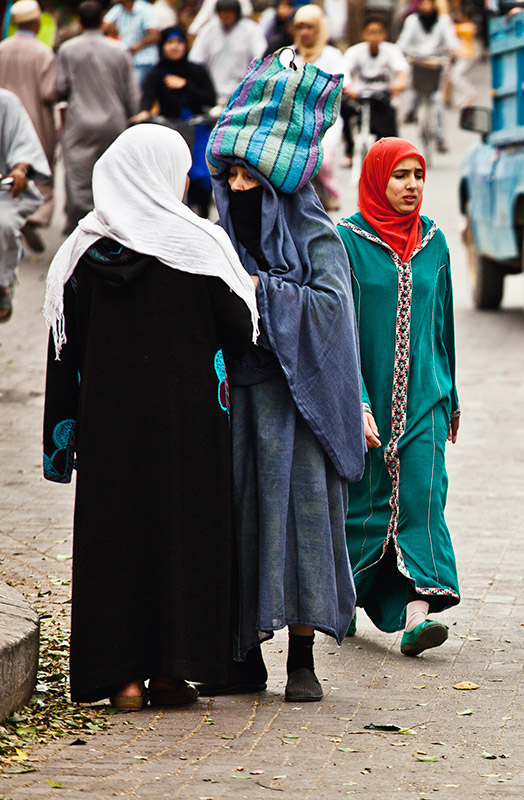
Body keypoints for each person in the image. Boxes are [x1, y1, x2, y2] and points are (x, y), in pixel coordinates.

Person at [41, 124, 257, 710]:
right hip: (190, 432)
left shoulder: (79, 254)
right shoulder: (198, 246)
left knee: (117, 542)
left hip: (110, 434)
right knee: (184, 539)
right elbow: (241, 334)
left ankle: (123, 680)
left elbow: (63, 356)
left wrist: (60, 450)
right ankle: (171, 673)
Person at [202, 57, 364, 703]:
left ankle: (303, 661)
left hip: (303, 408)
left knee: (301, 530)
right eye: (230, 175)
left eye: (250, 176)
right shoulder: (215, 235)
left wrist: (259, 291)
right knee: (242, 531)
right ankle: (245, 659)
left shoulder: (313, 229)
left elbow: (331, 308)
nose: (238, 187)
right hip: (236, 405)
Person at [336, 138, 461, 654]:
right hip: (364, 402)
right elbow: (337, 332)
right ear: (376, 179)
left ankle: (416, 617)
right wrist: (355, 400)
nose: (411, 186)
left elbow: (443, 324)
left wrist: (451, 394)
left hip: (425, 400)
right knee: (362, 509)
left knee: (422, 500)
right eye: (400, 176)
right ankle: (340, 599)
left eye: (418, 175)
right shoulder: (345, 241)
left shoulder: (434, 241)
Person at [56, 0, 140, 233]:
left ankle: (83, 228)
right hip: (114, 121)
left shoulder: (68, 49)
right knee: (114, 174)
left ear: (79, 21)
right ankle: (111, 226)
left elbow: (60, 88)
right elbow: (132, 92)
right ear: (103, 20)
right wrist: (132, 117)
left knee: (80, 176)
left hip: (80, 121)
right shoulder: (119, 49)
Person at [132, 27, 218, 217]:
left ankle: (203, 216)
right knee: (174, 178)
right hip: (170, 131)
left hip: (197, 129)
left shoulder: (196, 70)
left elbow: (209, 98)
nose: (175, 47)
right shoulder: (157, 73)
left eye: (179, 42)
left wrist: (185, 84)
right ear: (162, 46)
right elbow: (148, 96)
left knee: (201, 176)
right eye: (170, 42)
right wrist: (144, 112)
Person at [0, 0, 57, 251]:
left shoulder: (2, 49)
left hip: (3, 120)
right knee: (36, 167)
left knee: (6, 167)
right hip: (34, 119)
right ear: (36, 23)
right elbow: (49, 92)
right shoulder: (43, 52)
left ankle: (10, 216)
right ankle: (31, 215)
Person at [0, 90, 50, 323]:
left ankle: (2, 283)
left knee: (3, 225)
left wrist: (20, 169)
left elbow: (23, 144)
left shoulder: (6, 103)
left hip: (4, 189)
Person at [292, 4, 344, 210]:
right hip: (296, 119)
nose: (304, 32)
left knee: (324, 158)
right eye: (300, 27)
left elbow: (340, 83)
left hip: (326, 119)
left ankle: (331, 192)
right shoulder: (290, 55)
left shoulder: (332, 55)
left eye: (310, 27)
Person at [340, 17, 408, 166]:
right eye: (371, 32)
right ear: (364, 34)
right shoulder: (354, 52)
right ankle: (350, 152)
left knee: (387, 121)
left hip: (381, 96)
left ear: (384, 35)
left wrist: (398, 83)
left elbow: (401, 70)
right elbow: (343, 71)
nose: (374, 36)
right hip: (358, 96)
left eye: (378, 32)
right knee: (343, 109)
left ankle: (392, 155)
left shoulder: (391, 50)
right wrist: (348, 88)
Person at [398, 0, 460, 154]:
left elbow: (451, 40)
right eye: (423, 4)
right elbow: (403, 42)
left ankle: (440, 137)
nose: (425, 7)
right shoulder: (412, 21)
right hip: (417, 62)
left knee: (437, 100)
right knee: (416, 92)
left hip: (437, 63)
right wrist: (402, 53)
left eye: (428, 4)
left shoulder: (443, 21)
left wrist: (453, 51)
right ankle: (412, 112)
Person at [189, 0, 267, 106]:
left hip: (241, 93)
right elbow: (195, 59)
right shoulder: (208, 30)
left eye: (229, 12)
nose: (225, 16)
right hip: (212, 93)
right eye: (222, 12)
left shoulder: (251, 29)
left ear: (236, 13)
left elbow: (261, 55)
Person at [102, 0, 161, 85]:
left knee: (135, 91)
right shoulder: (118, 8)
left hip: (144, 61)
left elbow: (154, 35)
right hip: (126, 60)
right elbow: (102, 28)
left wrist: (139, 44)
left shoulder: (145, 8)